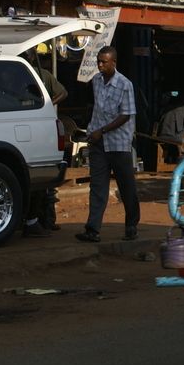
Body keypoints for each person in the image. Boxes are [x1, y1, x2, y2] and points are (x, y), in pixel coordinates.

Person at [76, 47, 140, 243]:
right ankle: (92, 229)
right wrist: (92, 130)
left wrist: (102, 130)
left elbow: (126, 115)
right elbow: (95, 108)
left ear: (114, 63)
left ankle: (131, 226)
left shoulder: (124, 84)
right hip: (98, 142)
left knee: (126, 186)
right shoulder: (96, 81)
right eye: (99, 61)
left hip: (118, 144)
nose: (100, 65)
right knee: (97, 187)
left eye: (104, 62)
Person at [23, 44, 68, 238]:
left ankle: (44, 221)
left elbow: (63, 93)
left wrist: (47, 104)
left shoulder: (42, 75)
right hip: (30, 131)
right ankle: (36, 220)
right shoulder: (18, 74)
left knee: (43, 179)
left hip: (40, 131)